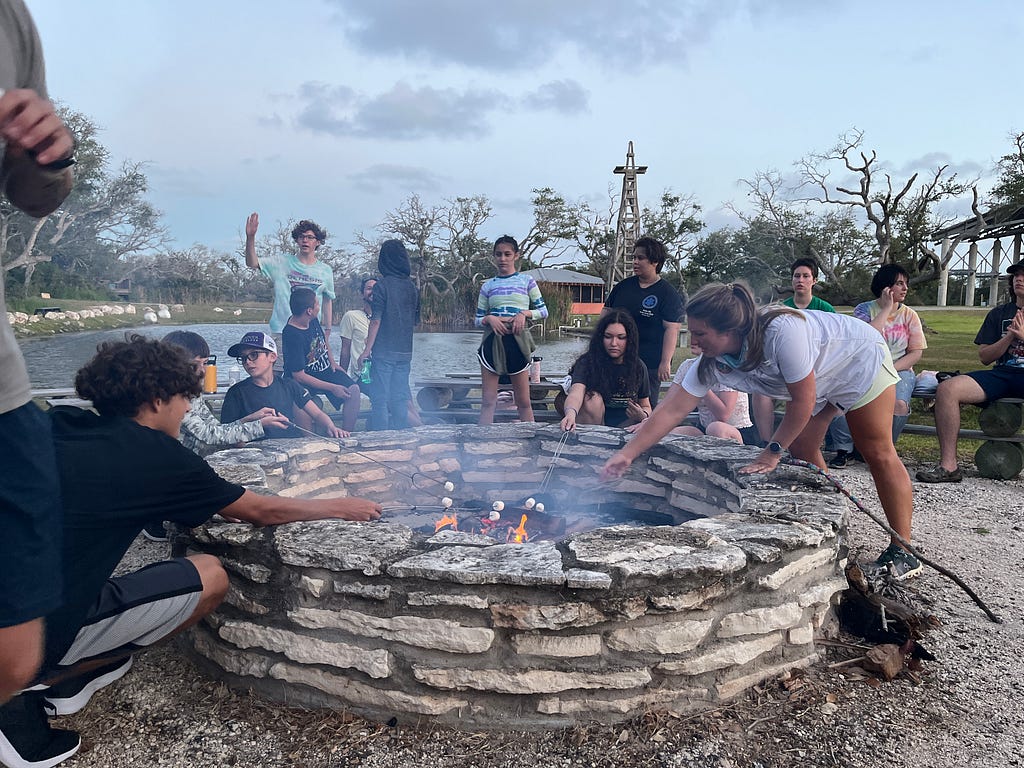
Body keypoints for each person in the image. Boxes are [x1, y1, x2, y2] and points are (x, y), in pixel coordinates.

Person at [0, 335, 380, 768]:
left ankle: (70, 673)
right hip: (24, 630)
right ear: (159, 399)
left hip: (18, 587)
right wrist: (340, 506)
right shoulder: (159, 457)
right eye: (186, 398)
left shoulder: (62, 423)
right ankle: (37, 682)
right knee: (210, 576)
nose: (188, 408)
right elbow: (261, 509)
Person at [600, 282, 920, 580]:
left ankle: (904, 552)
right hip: (822, 373)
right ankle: (832, 520)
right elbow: (670, 411)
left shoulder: (780, 332)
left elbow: (803, 400)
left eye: (700, 334)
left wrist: (772, 450)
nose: (693, 343)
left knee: (876, 450)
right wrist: (627, 455)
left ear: (728, 331)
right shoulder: (711, 361)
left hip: (857, 358)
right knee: (805, 446)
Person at [0, 0, 77, 711]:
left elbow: (36, 196)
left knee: (16, 653)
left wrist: (48, 153)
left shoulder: (11, 20)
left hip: (2, 381)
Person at [917, 261, 1024, 483]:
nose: (1018, 279)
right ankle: (949, 467)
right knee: (948, 389)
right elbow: (985, 357)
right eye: (1015, 275)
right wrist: (1010, 336)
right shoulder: (999, 314)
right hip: (1003, 373)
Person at [828, 264, 926, 468]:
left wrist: (891, 369)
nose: (905, 288)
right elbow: (866, 338)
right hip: (865, 367)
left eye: (905, 284)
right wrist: (887, 309)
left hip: (900, 368)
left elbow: (916, 352)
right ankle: (844, 450)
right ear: (885, 286)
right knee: (841, 400)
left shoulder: (910, 315)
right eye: (900, 283)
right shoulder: (864, 309)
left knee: (899, 404)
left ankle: (882, 448)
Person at [474, 235, 549, 425]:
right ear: (494, 257)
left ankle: (530, 442)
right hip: (493, 342)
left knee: (523, 402)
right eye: (498, 254)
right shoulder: (488, 285)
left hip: (517, 342)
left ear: (516, 256)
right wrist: (490, 318)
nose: (503, 259)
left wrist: (524, 314)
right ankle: (481, 444)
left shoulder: (527, 281)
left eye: (507, 254)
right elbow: (477, 319)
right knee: (488, 401)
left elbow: (543, 311)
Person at [603, 236, 685, 407]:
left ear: (655, 261)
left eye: (640, 258)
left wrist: (665, 362)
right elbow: (605, 316)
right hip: (618, 359)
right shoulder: (623, 287)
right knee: (614, 405)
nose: (635, 262)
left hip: (650, 363)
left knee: (645, 408)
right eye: (634, 257)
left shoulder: (667, 294)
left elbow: (672, 330)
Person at [243, 214, 336, 361]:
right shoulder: (282, 262)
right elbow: (252, 263)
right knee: (278, 375)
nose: (305, 240)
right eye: (301, 236)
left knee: (309, 377)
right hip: (281, 331)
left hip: (311, 332)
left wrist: (328, 330)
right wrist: (251, 237)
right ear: (297, 240)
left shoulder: (325, 270)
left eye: (310, 237)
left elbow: (327, 300)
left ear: (317, 242)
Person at [221, 331, 346, 439]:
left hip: (290, 447)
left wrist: (331, 427)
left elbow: (317, 414)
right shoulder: (236, 393)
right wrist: (253, 421)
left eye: (253, 355)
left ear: (272, 356)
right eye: (243, 358)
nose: (247, 362)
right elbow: (225, 434)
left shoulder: (289, 385)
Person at [339, 277, 421, 427]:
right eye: (369, 288)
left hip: (389, 369)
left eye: (376, 288)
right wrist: (342, 377)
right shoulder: (351, 316)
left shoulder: (389, 318)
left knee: (405, 400)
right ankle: (421, 431)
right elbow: (345, 350)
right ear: (361, 294)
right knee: (389, 399)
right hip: (365, 374)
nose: (373, 292)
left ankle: (424, 433)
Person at [356, 240, 420, 430]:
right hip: (405, 352)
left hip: (384, 352)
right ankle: (400, 438)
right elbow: (415, 321)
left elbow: (376, 320)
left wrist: (366, 350)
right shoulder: (412, 288)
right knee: (399, 397)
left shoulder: (381, 286)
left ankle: (380, 438)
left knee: (380, 398)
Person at [282, 288, 361, 432]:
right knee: (303, 406)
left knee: (353, 390)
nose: (319, 307)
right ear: (309, 311)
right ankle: (309, 443)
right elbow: (298, 375)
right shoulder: (291, 334)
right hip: (302, 378)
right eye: (317, 304)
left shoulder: (312, 320)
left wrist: (332, 361)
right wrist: (332, 387)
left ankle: (347, 433)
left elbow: (322, 340)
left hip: (323, 370)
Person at [559, 310, 651, 430]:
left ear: (629, 340)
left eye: (621, 337)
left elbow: (646, 405)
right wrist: (570, 413)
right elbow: (576, 393)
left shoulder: (638, 366)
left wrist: (643, 415)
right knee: (592, 398)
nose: (613, 343)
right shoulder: (587, 362)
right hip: (593, 424)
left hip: (627, 428)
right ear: (600, 338)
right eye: (608, 337)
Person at [670, 341, 758, 445]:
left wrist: (700, 385)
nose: (693, 341)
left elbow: (723, 415)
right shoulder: (687, 365)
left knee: (716, 428)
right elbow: (669, 404)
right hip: (704, 429)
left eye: (700, 335)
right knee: (669, 433)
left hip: (736, 431)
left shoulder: (726, 367)